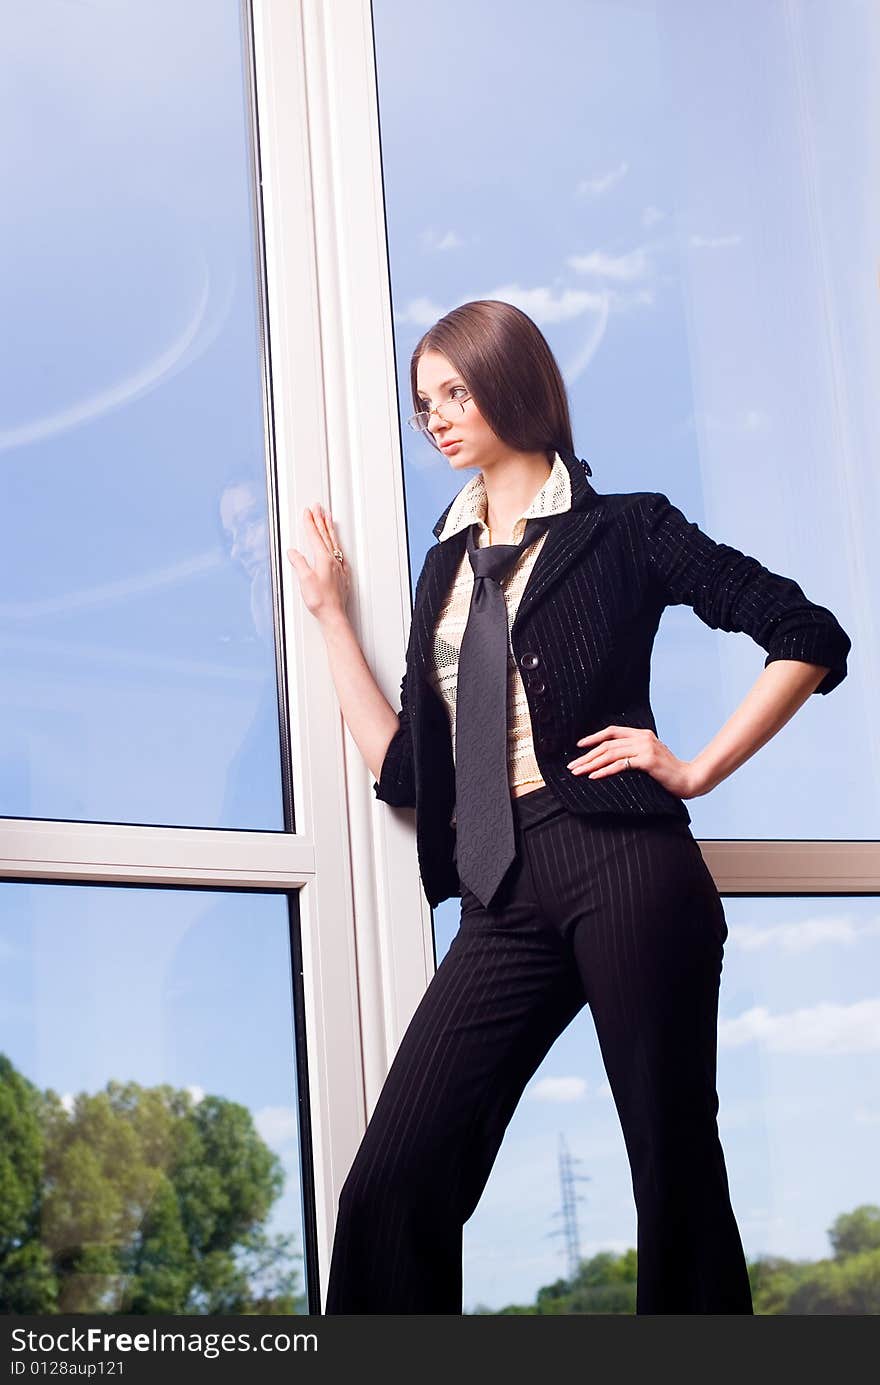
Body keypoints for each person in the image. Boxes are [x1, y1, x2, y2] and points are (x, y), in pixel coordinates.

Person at [286, 299, 851, 1315]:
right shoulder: (443, 569)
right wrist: (331, 620)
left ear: (515, 383)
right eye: (424, 405)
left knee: (671, 1171)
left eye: (454, 391)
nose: (438, 419)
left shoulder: (626, 528)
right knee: (391, 1186)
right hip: (498, 892)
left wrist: (698, 766)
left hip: (622, 862)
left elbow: (804, 631)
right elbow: (409, 773)